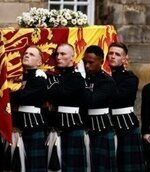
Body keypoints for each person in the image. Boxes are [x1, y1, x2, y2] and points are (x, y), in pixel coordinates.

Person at [46, 43, 87, 171]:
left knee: (72, 167)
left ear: (72, 57)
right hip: (54, 128)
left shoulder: (77, 78)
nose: (58, 57)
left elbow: (63, 95)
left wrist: (52, 87)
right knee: (54, 167)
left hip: (72, 127)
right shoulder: (54, 77)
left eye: (63, 54)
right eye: (57, 54)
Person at [107, 42, 145, 172]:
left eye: (117, 54)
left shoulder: (130, 78)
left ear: (124, 59)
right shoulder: (101, 75)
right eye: (111, 53)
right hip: (106, 124)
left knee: (128, 167)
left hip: (126, 125)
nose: (113, 56)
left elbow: (117, 97)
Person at [10, 45, 48, 171]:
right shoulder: (18, 75)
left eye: (32, 55)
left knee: (34, 166)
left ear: (39, 62)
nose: (26, 55)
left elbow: (23, 96)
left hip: (33, 125)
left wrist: (9, 93)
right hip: (17, 126)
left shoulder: (40, 77)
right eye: (26, 53)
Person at [83, 45, 118, 172]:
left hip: (101, 127)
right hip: (84, 126)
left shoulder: (107, 81)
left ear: (101, 62)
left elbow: (92, 101)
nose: (87, 65)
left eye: (91, 62)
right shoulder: (83, 78)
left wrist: (81, 83)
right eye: (85, 62)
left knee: (101, 166)